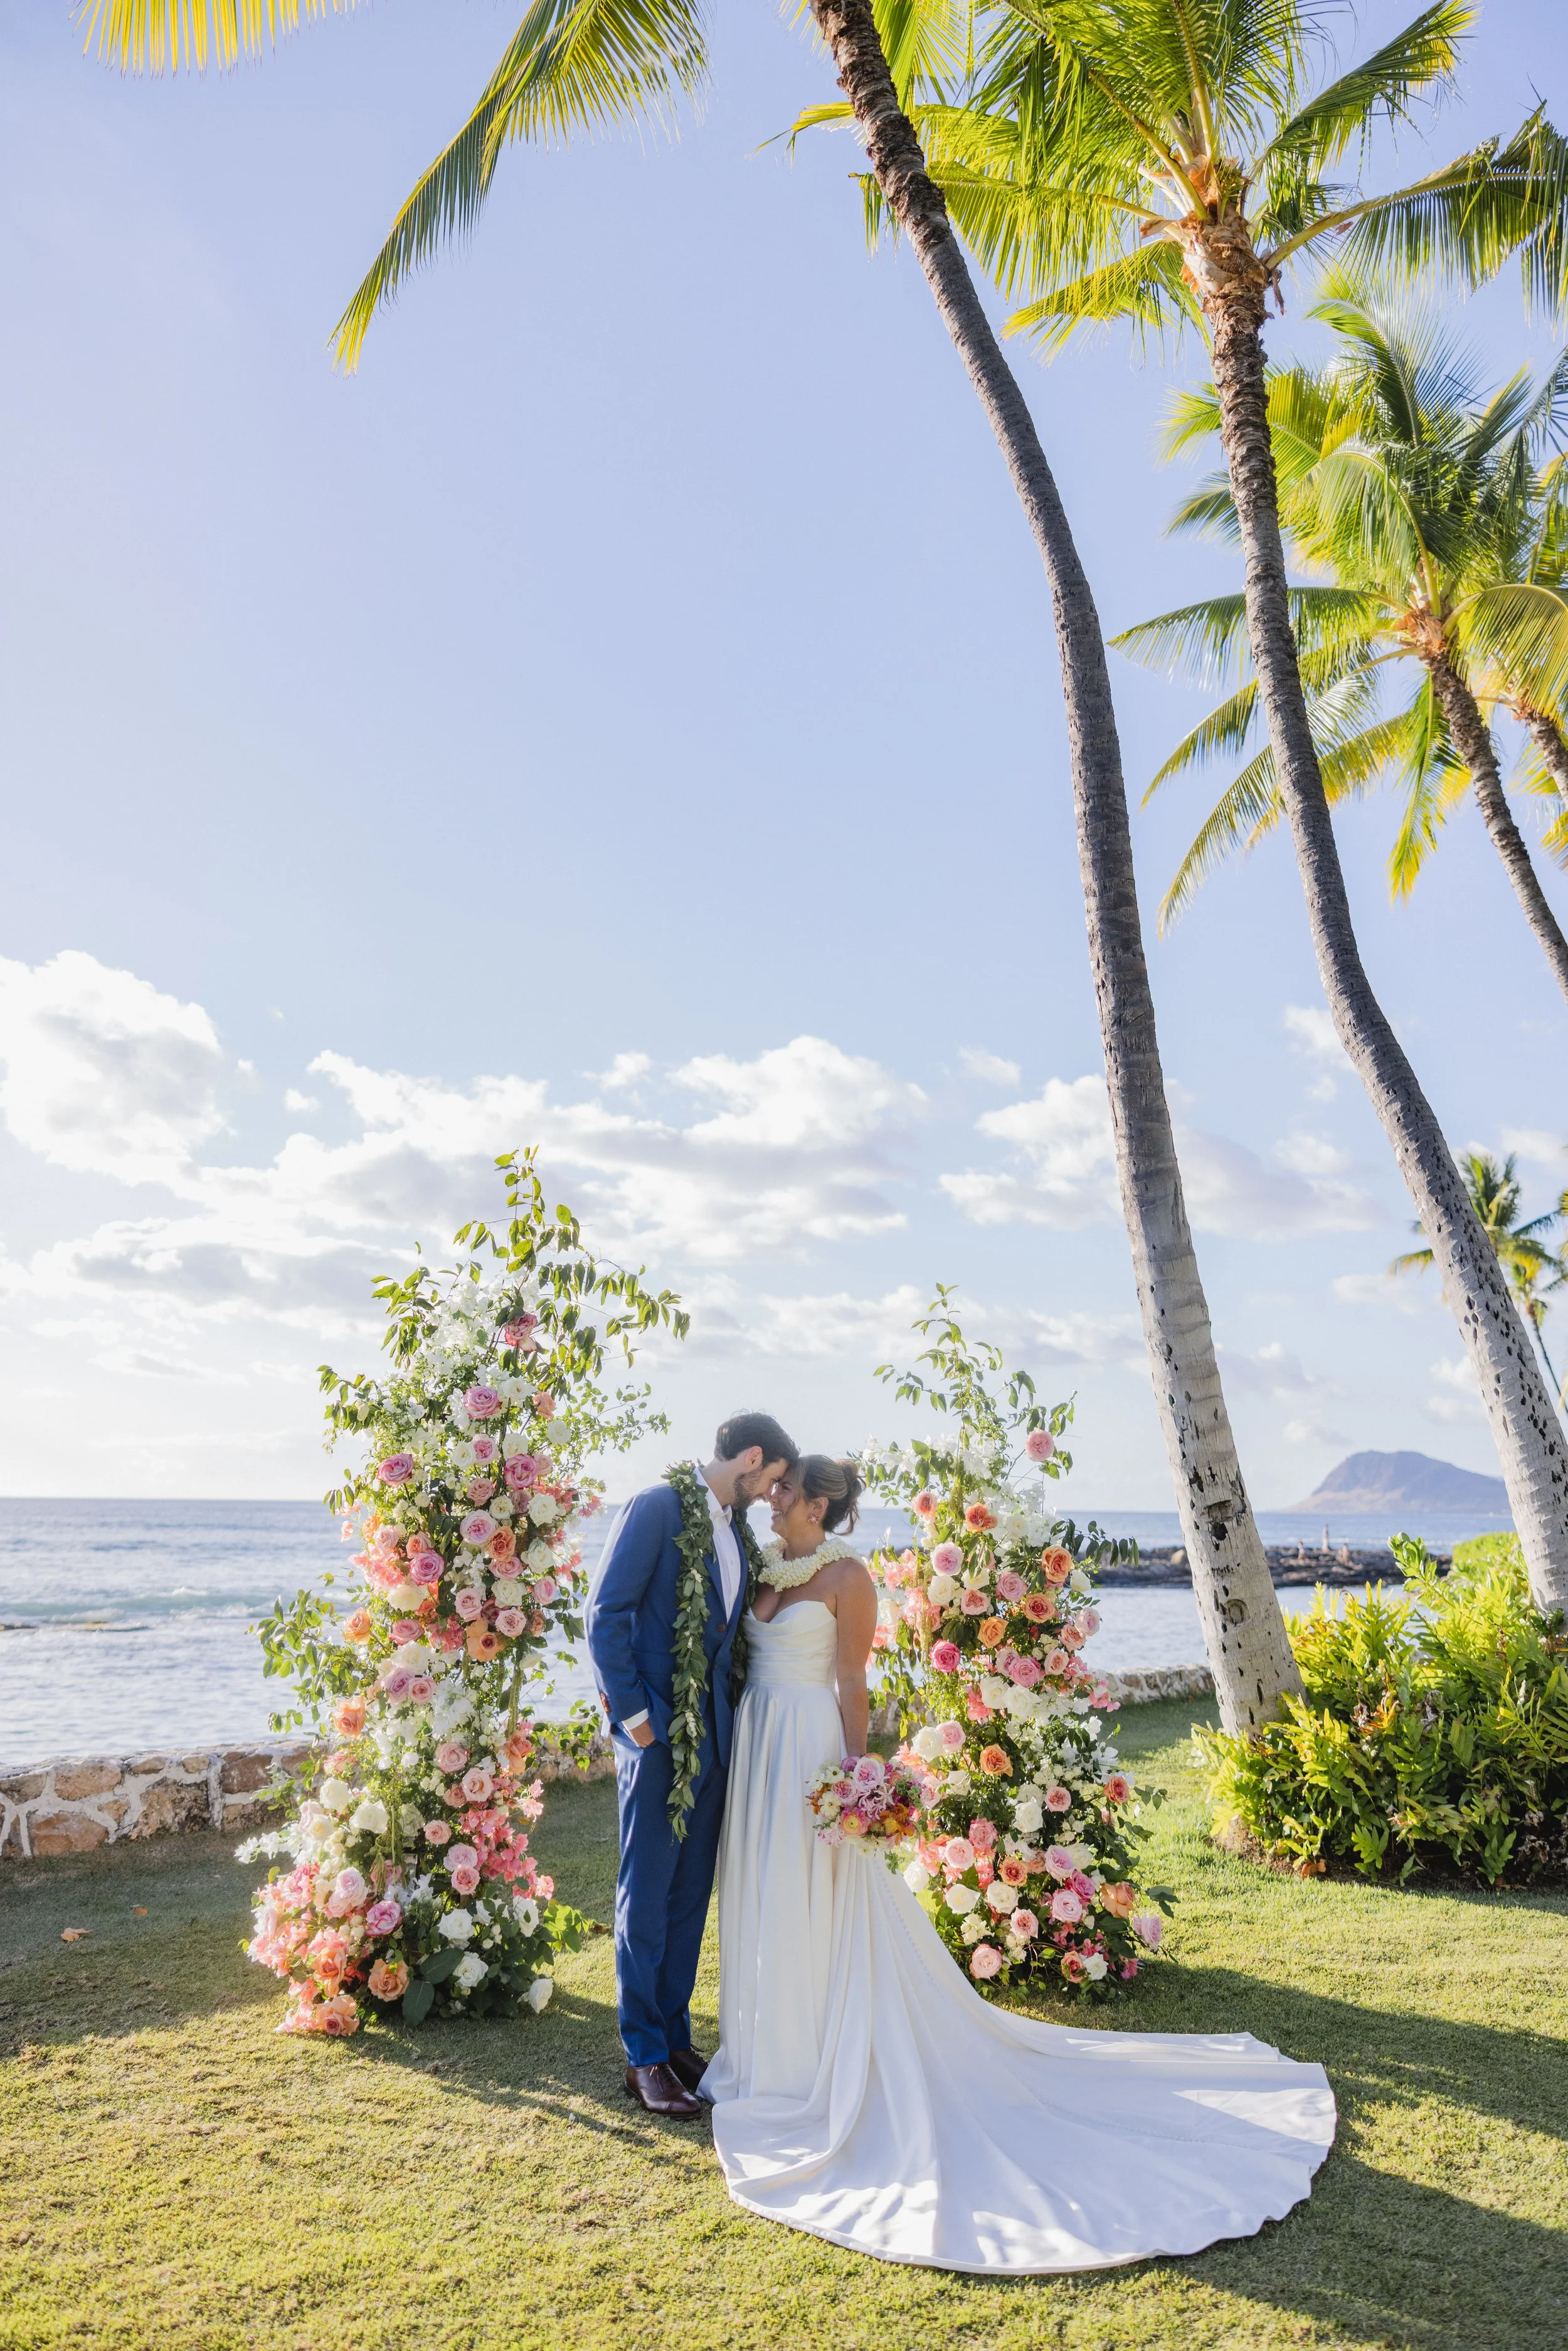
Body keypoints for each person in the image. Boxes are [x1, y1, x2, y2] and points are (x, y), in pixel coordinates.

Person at [701, 1453, 1338, 2273]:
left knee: (823, 1900)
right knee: (769, 1894)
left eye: (786, 1488)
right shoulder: (767, 1566)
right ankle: (770, 2049)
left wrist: (860, 1779)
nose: (772, 1495)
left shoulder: (848, 1578)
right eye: (772, 1486)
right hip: (760, 1745)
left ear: (818, 1503)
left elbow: (853, 1683)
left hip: (813, 1751)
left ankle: (816, 2055)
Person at [586, 1411, 797, 2118]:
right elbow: (606, 1614)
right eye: (769, 1479)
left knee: (686, 1898)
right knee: (644, 1896)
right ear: (752, 1458)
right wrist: (640, 1724)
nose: (770, 1494)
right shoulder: (657, 1506)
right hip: (657, 1740)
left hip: (715, 1739)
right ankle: (642, 2055)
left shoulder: (733, 1530)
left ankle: (674, 2038)